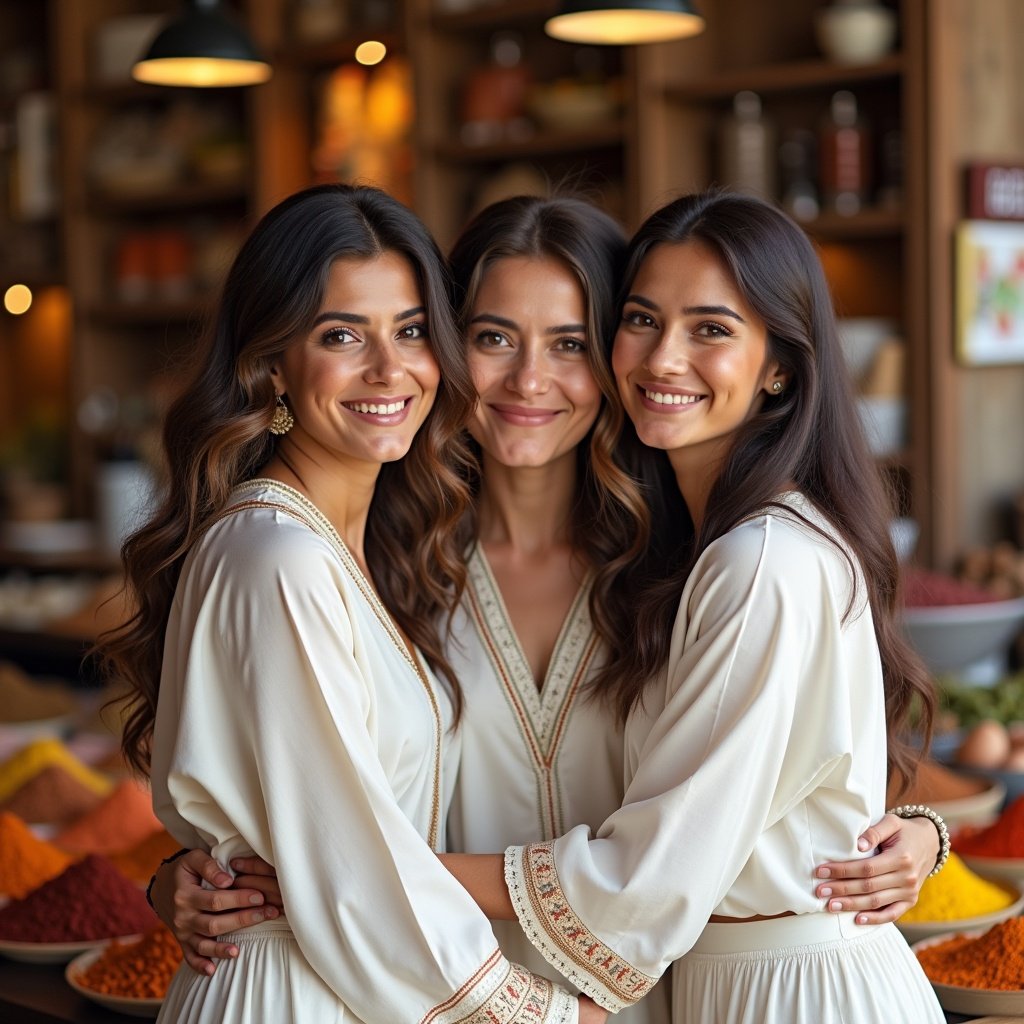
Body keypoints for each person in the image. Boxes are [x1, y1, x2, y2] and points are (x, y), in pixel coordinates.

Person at [150, 193, 943, 1020]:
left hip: (645, 1004)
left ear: (608, 357)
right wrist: (196, 868)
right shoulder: (383, 562)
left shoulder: (685, 561)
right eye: (493, 338)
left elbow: (793, 767)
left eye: (569, 343)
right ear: (453, 347)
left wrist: (919, 833)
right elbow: (292, 788)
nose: (530, 380)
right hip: (437, 998)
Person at [97, 183, 599, 1023]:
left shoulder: (353, 553)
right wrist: (550, 1017)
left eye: (409, 330)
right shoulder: (280, 558)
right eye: (342, 335)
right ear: (269, 363)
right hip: (292, 993)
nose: (388, 367)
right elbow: (356, 874)